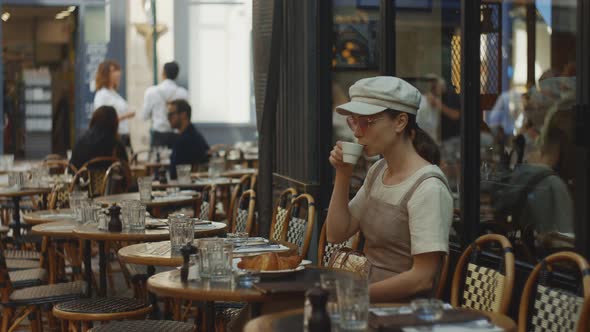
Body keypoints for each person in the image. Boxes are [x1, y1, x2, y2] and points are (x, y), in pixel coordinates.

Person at [326, 76, 453, 303]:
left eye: (367, 122)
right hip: (366, 304)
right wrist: (343, 174)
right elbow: (336, 233)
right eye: (354, 121)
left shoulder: (428, 187)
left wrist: (354, 296)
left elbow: (423, 278)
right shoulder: (379, 170)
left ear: (400, 122)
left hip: (401, 314)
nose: (357, 132)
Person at [143, 61, 189, 148]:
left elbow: (144, 116)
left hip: (158, 135)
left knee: (157, 160)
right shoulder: (183, 93)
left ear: (163, 73)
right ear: (177, 75)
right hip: (176, 135)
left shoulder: (151, 92)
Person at [70, 106, 128, 170]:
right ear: (115, 123)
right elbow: (126, 172)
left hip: (83, 179)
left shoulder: (80, 142)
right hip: (109, 179)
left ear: (94, 119)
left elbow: (72, 169)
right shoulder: (117, 145)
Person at [93, 60, 135, 147]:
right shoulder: (102, 94)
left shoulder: (114, 93)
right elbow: (102, 120)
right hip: (112, 138)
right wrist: (126, 115)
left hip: (124, 135)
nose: (117, 74)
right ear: (105, 74)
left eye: (118, 70)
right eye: (113, 71)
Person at [167, 100, 210, 179]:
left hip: (185, 187)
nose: (168, 118)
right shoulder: (196, 135)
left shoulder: (184, 141)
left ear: (183, 115)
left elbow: (173, 174)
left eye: (171, 114)